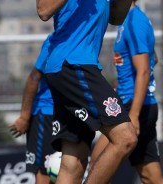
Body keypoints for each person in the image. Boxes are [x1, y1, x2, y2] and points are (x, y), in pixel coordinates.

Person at [36, 0, 138, 184]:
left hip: (72, 67)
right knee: (125, 138)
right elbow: (43, 10)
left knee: (73, 163)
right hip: (72, 64)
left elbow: (116, 17)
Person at [90, 1, 163, 183]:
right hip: (137, 103)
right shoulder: (130, 20)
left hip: (133, 106)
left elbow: (144, 70)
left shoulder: (134, 21)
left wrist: (133, 114)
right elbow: (152, 58)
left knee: (97, 162)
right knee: (151, 177)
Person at [9, 37, 55, 184]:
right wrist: (24, 117)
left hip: (70, 115)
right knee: (45, 170)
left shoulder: (84, 38)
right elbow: (34, 77)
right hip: (47, 114)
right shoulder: (54, 41)